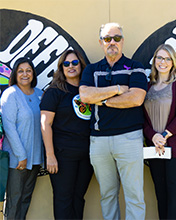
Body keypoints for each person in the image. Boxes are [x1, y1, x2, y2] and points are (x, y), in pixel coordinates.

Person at [79, 22, 147, 220]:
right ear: (101, 42)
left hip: (129, 138)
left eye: (116, 38)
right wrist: (118, 89)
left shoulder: (135, 67)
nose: (112, 43)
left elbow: (136, 98)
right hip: (99, 141)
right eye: (107, 39)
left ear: (122, 41)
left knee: (134, 195)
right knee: (107, 195)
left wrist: (101, 100)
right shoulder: (91, 70)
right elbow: (85, 96)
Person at [40, 49, 93, 220]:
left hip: (86, 156)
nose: (71, 66)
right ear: (61, 68)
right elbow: (45, 123)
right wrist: (50, 155)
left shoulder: (90, 91)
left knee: (78, 198)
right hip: (62, 156)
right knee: (64, 200)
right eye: (66, 63)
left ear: (81, 65)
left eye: (75, 63)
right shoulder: (54, 92)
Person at [143, 44, 176, 219]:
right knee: (161, 197)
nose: (163, 62)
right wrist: (153, 136)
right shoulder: (147, 86)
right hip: (155, 149)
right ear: (154, 60)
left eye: (167, 58)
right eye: (159, 58)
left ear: (173, 62)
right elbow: (142, 119)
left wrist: (164, 135)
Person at [1, 57, 44, 219]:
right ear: (14, 74)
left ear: (33, 73)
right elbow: (9, 127)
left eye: (28, 70)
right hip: (17, 160)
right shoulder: (10, 94)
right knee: (14, 200)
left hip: (34, 159)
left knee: (25, 198)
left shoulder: (39, 94)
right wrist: (21, 156)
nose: (25, 74)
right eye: (20, 71)